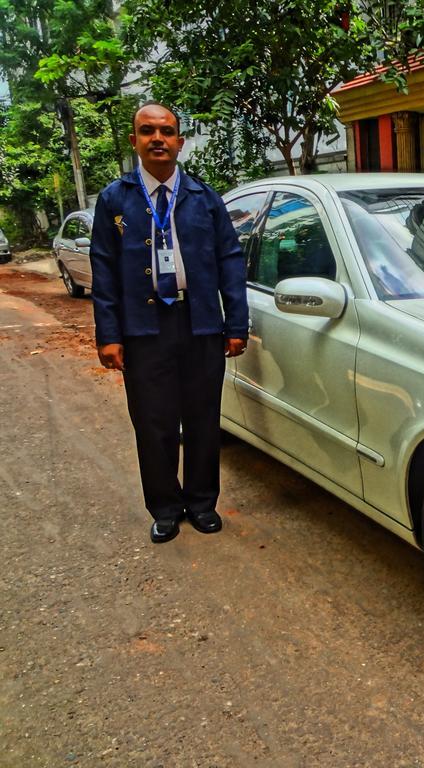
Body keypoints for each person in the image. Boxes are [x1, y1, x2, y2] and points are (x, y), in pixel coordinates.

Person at [90, 102, 249, 544]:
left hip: (199, 324)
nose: (157, 138)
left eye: (166, 131)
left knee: (202, 419)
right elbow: (103, 270)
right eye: (147, 131)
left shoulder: (204, 198)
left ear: (180, 141)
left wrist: (236, 322)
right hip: (143, 329)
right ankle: (164, 506)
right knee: (153, 422)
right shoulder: (113, 200)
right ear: (135, 141)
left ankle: (202, 503)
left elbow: (230, 260)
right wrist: (109, 335)